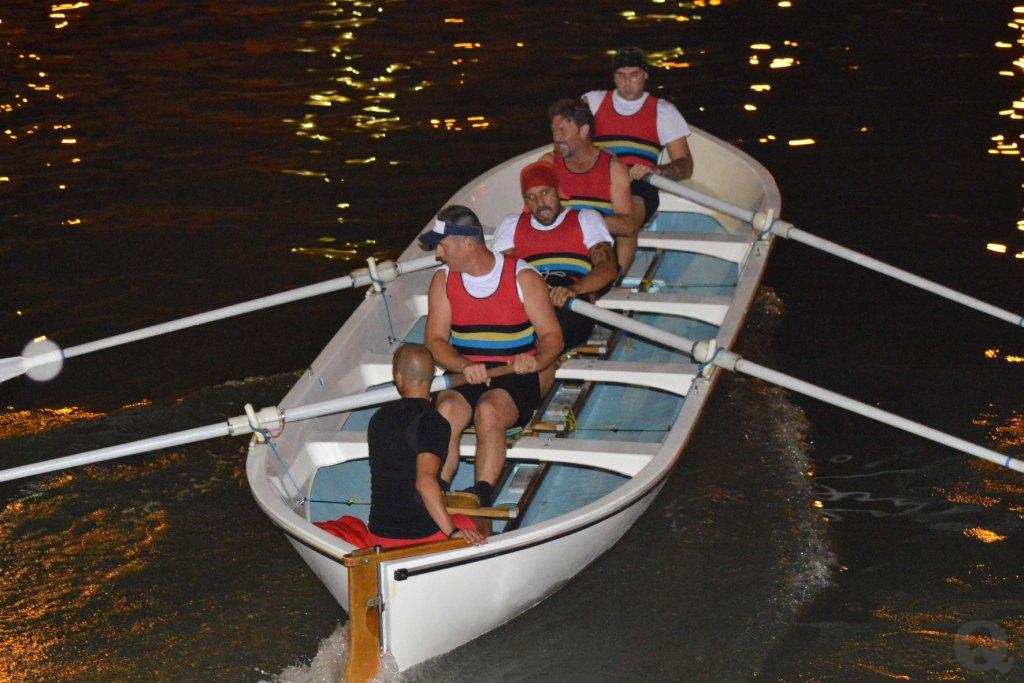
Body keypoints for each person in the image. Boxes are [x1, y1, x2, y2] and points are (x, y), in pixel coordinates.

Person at [422, 205, 563, 507]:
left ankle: (481, 495)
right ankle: (436, 490)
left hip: (514, 374)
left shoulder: (523, 276)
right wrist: (463, 365)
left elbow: (552, 337)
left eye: (442, 246)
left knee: (488, 410)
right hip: (465, 372)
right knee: (445, 410)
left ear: (466, 243)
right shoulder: (442, 280)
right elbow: (435, 341)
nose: (438, 255)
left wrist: (535, 361)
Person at [314, 344, 486, 548]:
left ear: (398, 376)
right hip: (419, 536)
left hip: (379, 534)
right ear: (432, 374)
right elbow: (425, 482)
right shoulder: (434, 422)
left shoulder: (378, 418)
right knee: (483, 522)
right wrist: (452, 531)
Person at [492, 160, 617, 393]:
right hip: (530, 300)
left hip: (571, 304)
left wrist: (574, 289)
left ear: (558, 191)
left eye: (544, 193)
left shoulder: (586, 218)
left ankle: (528, 400)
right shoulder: (512, 224)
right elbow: (498, 276)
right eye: (531, 197)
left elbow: (608, 268)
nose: (539, 204)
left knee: (544, 342)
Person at [583, 46, 694, 232]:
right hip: (598, 177)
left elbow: (686, 166)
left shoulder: (664, 111)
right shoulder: (593, 101)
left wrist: (657, 171)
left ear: (645, 75)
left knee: (627, 222)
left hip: (638, 183)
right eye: (621, 75)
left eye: (634, 75)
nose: (627, 83)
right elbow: (572, 141)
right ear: (613, 77)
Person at [540, 98, 638, 275]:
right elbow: (531, 215)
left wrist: (587, 220)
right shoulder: (547, 165)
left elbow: (628, 226)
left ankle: (613, 281)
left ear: (584, 130)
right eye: (554, 131)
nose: (556, 138)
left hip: (597, 254)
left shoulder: (613, 168)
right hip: (556, 250)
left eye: (563, 131)